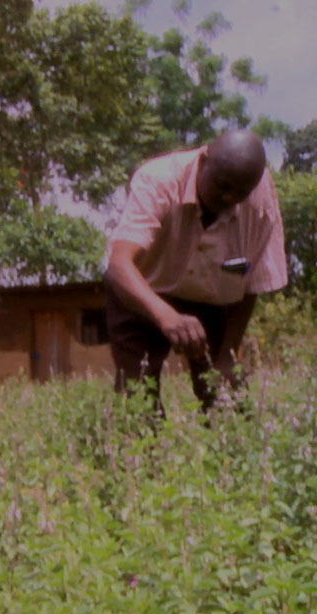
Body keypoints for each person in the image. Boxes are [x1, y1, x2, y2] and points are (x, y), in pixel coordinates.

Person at [104, 129, 287, 411]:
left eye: (240, 193)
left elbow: (251, 281)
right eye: (222, 186)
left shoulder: (260, 201)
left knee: (224, 392)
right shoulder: (159, 180)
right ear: (203, 161)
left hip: (211, 296)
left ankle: (230, 449)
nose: (228, 198)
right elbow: (119, 265)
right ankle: (146, 453)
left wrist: (227, 351)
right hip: (143, 290)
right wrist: (166, 315)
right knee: (137, 396)